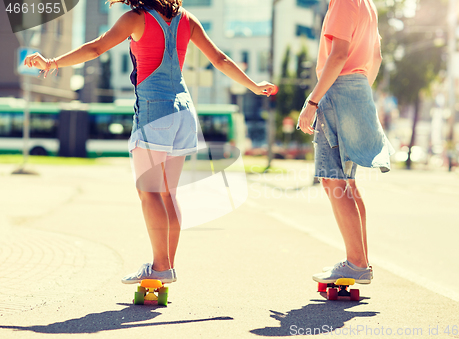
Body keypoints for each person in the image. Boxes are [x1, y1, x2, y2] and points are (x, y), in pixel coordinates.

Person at [24, 0, 275, 284]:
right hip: (184, 113)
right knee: (168, 194)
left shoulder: (136, 19)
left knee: (149, 192)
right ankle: (164, 266)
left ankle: (160, 268)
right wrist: (253, 85)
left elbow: (95, 48)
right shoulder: (186, 19)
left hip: (155, 112)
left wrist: (52, 62)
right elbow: (220, 60)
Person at [297, 0, 394, 284]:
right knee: (348, 182)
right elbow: (375, 57)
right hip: (359, 88)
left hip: (337, 89)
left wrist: (312, 101)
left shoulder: (342, 2)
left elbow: (338, 55)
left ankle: (356, 263)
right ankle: (360, 260)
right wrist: (359, 92)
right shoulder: (367, 5)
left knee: (332, 180)